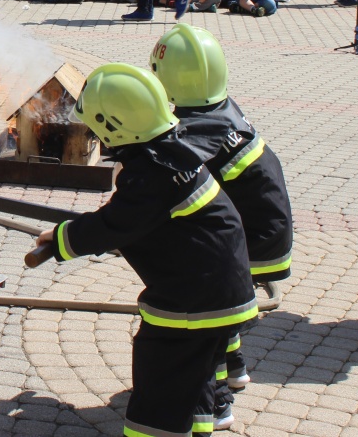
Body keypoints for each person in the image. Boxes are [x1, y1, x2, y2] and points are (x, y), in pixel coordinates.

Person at [37, 63, 256, 437]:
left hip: (193, 301)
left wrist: (61, 240)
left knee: (162, 379)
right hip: (223, 290)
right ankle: (200, 428)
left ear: (114, 126)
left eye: (96, 128)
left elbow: (115, 225)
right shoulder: (172, 151)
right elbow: (142, 224)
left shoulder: (150, 174)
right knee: (194, 375)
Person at [149, 23, 294, 395]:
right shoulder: (221, 109)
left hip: (252, 243)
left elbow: (175, 190)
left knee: (199, 289)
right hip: (268, 230)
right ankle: (236, 364)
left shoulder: (198, 134)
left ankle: (212, 394)